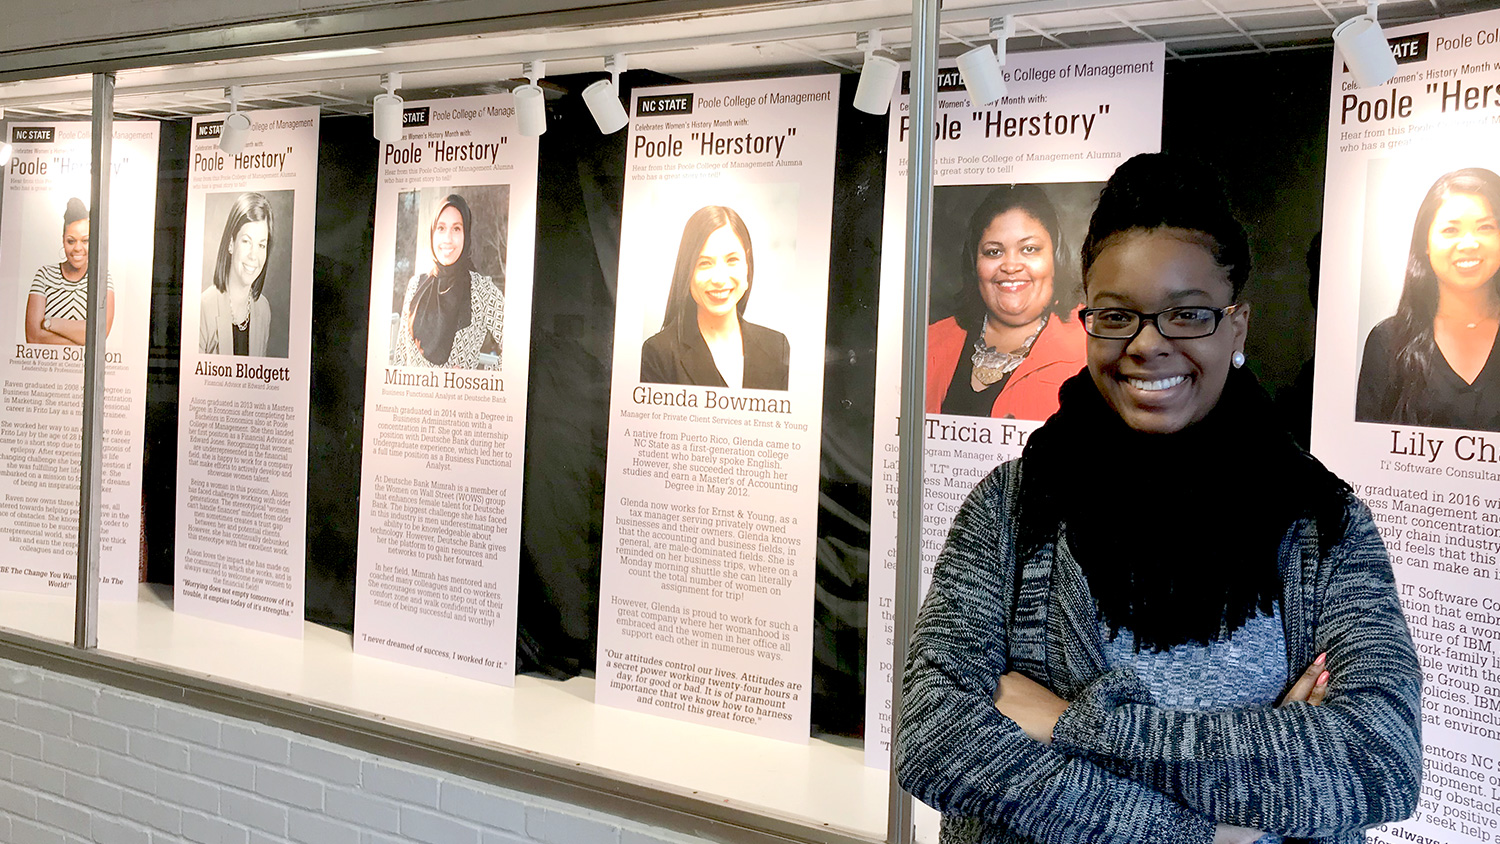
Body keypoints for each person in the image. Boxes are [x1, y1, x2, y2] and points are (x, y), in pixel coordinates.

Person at [896, 153, 1421, 844]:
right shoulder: (1012, 509)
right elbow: (933, 734)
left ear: (1237, 327)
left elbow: (1379, 760)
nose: (1147, 344)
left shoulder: (1320, 523)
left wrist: (1067, 723)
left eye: (1187, 315)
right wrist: (1213, 833)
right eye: (1117, 315)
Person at [1356, 167, 1500, 430]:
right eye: (1450, 230)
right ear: (1426, 243)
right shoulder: (1388, 342)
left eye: (1486, 227)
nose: (1469, 243)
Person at [926, 185, 1086, 418]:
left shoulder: (1091, 345)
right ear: (975, 263)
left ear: (1055, 258)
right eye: (993, 252)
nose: (1011, 266)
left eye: (1029, 249)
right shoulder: (930, 341)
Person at [640, 205, 789, 390]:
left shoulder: (777, 346)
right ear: (687, 271)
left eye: (732, 260)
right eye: (704, 263)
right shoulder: (658, 353)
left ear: (747, 264)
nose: (719, 279)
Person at [392, 193, 505, 369]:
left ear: (466, 234)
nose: (448, 239)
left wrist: (477, 384)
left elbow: (518, 347)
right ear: (432, 232)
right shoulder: (415, 285)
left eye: (456, 229)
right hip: (412, 396)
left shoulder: (481, 290)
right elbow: (399, 358)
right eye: (441, 228)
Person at [26, 197, 114, 345]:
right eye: (71, 241)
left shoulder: (101, 277)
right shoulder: (45, 275)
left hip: (86, 369)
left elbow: (100, 334)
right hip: (46, 368)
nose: (78, 248)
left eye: (85, 240)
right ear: (63, 240)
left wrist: (51, 323)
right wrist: (82, 339)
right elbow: (33, 338)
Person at [200, 192, 274, 356]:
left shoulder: (263, 310)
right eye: (246, 241)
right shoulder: (203, 308)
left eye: (261, 245)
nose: (254, 256)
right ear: (231, 244)